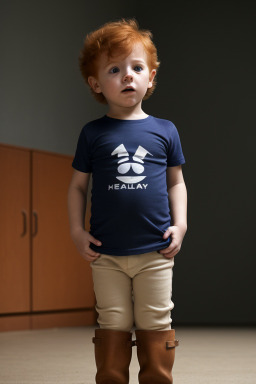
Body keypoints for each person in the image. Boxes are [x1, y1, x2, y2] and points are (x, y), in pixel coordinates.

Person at [68, 18, 187, 384]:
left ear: (150, 77)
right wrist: (76, 230)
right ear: (95, 83)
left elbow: (176, 183)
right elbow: (77, 187)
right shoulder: (93, 134)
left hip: (155, 251)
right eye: (115, 69)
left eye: (136, 68)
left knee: (156, 320)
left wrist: (180, 225)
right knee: (112, 321)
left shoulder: (165, 130)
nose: (127, 76)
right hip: (106, 254)